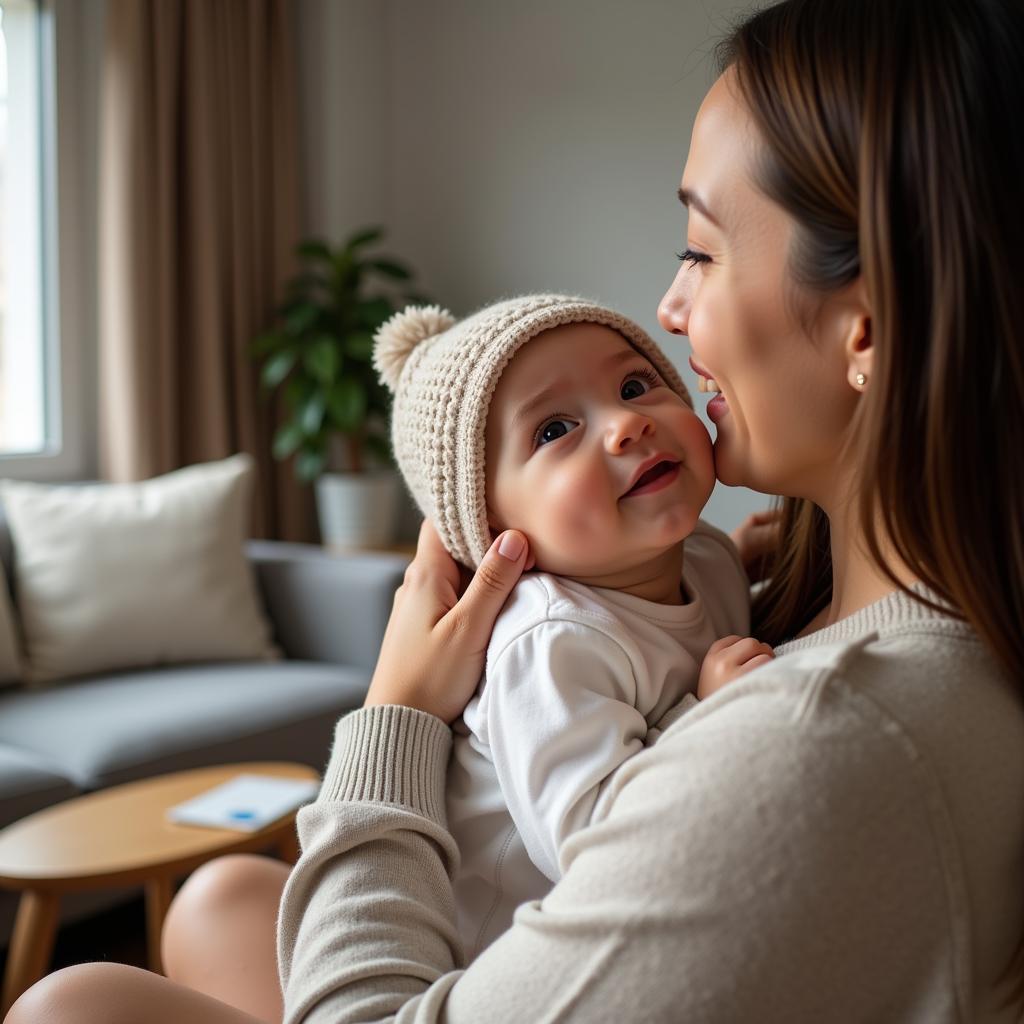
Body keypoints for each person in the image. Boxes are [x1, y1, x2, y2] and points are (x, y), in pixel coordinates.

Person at [7, 0, 1023, 1021]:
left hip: (494, 927)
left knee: (74, 1005)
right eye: (552, 430)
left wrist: (396, 713)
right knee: (219, 901)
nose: (671, 311)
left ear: (866, 330)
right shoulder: (846, 608)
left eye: (702, 252)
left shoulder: (812, 745)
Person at [371, 294, 771, 957]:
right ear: (494, 529)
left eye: (635, 385)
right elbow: (595, 847)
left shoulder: (706, 556)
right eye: (554, 430)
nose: (624, 424)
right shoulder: (549, 641)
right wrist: (711, 713)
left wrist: (749, 556)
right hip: (502, 967)